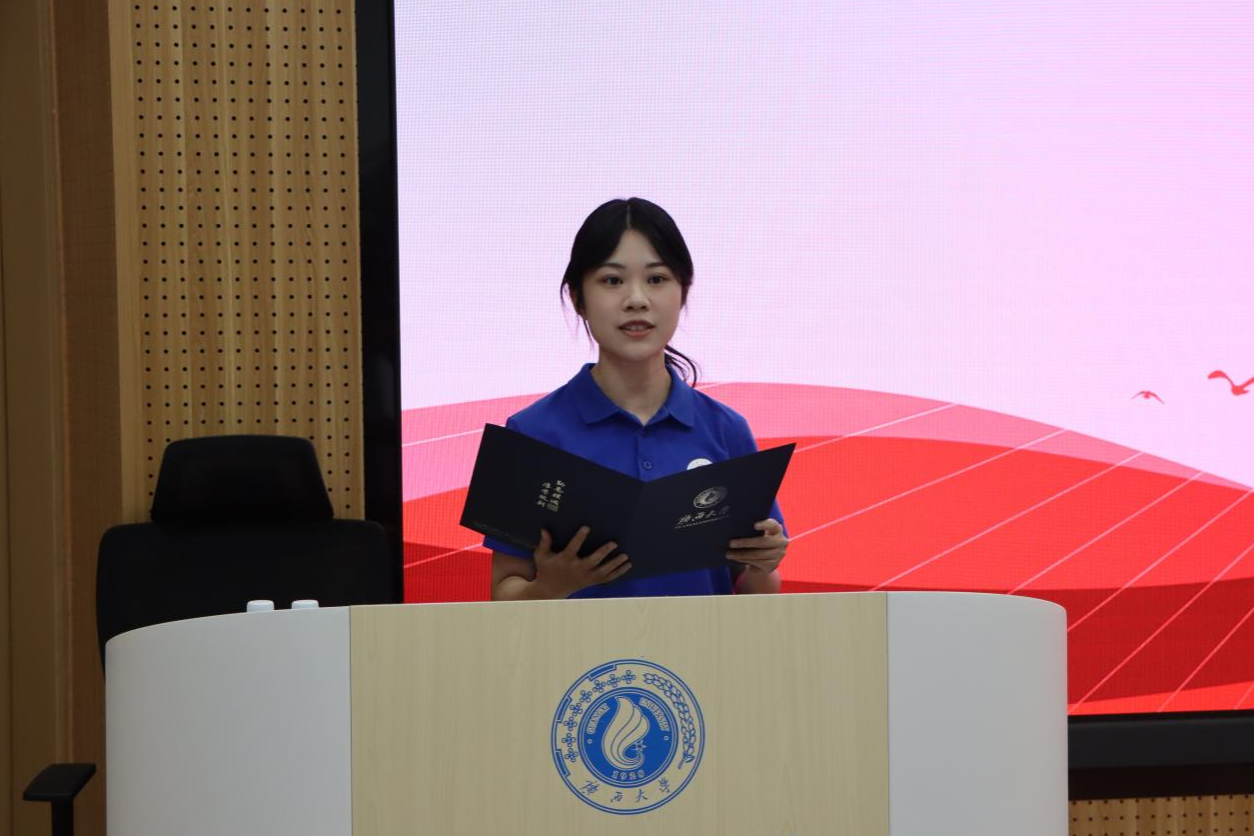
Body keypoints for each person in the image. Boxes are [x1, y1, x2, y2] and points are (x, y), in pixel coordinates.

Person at [488, 197, 788, 601]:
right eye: (612, 281)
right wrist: (553, 586)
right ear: (578, 298)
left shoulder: (726, 430)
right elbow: (503, 594)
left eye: (657, 279)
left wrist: (762, 565)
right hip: (579, 646)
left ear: (682, 292)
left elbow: (756, 592)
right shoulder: (531, 434)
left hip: (699, 644)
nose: (637, 299)